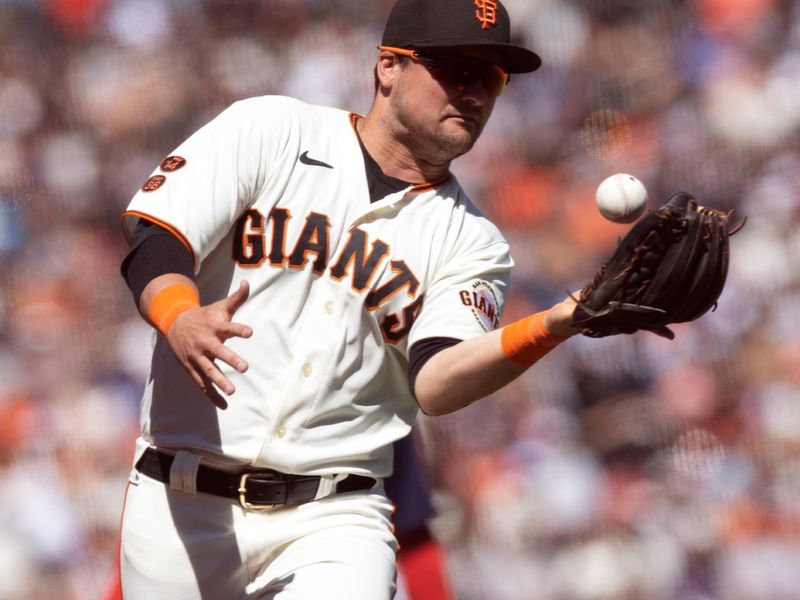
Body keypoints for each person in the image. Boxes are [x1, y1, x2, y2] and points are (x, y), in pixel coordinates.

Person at [116, 0, 578, 597]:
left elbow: (436, 380)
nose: (472, 91)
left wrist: (564, 320)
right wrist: (178, 317)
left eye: (489, 78)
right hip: (175, 505)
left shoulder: (474, 241)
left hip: (333, 516)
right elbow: (157, 235)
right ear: (388, 66)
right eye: (454, 69)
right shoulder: (273, 130)